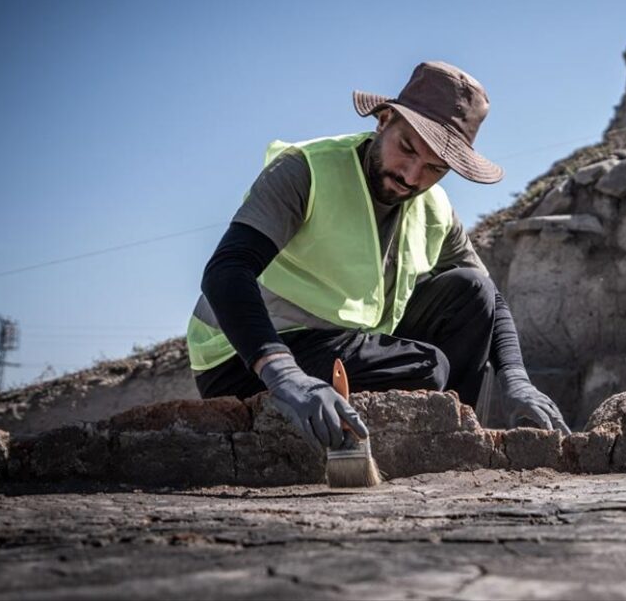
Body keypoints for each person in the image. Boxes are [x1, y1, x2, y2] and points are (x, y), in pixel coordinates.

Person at [186, 61, 570, 450]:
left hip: (344, 345)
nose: (412, 176)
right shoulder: (305, 170)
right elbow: (226, 272)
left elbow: (490, 299)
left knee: (472, 290)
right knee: (427, 368)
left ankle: (453, 448)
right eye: (407, 149)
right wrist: (284, 374)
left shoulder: (433, 207)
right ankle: (416, 443)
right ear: (384, 120)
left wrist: (516, 379)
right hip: (245, 359)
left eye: (435, 168)